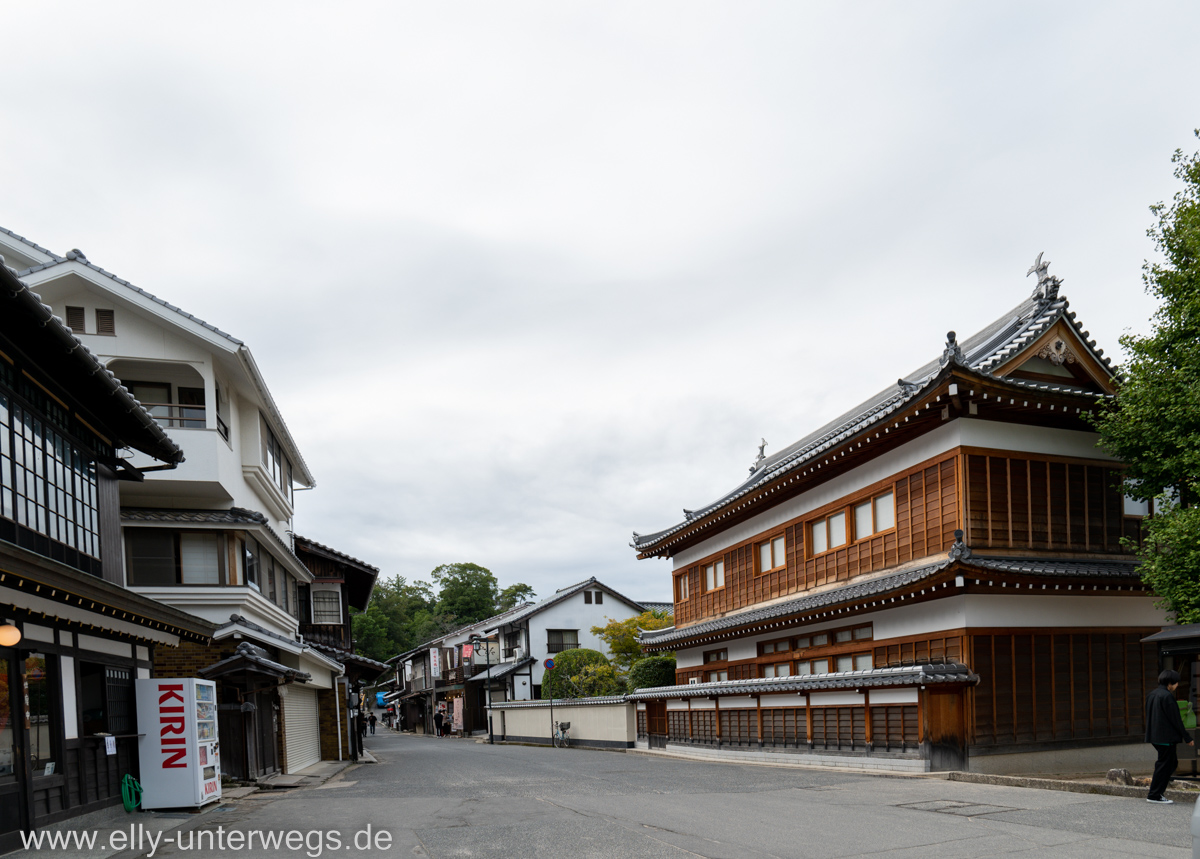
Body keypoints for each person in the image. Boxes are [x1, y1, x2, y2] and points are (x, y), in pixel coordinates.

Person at [1145, 668, 1194, 803]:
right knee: (1165, 765)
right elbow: (1176, 719)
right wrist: (1187, 737)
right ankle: (1155, 795)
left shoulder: (1151, 695)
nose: (1177, 685)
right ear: (1170, 683)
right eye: (1176, 683)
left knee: (1170, 763)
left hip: (1155, 736)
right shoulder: (1167, 697)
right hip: (1165, 737)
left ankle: (1156, 793)